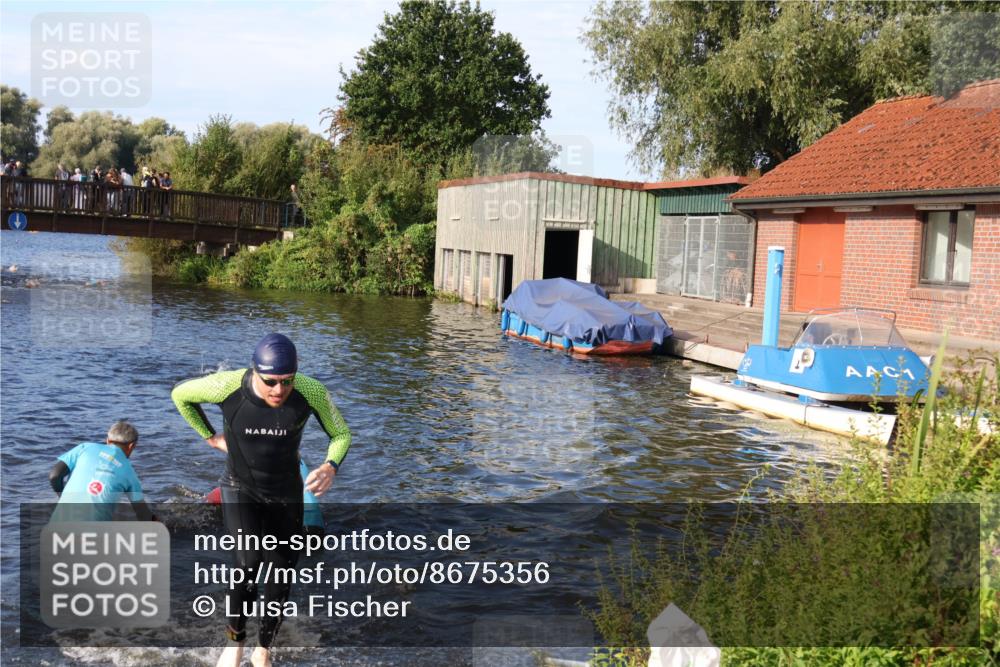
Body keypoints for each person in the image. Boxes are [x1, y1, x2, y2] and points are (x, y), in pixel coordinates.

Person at [171, 333, 351, 667]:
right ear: (255, 371)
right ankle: (234, 643)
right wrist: (210, 437)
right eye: (270, 381)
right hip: (241, 488)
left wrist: (331, 465)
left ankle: (263, 649)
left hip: (285, 492)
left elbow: (341, 434)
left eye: (287, 381)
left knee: (282, 573)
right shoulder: (226, 386)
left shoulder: (310, 391)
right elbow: (180, 395)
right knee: (248, 564)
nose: (279, 391)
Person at [48, 420, 154, 522]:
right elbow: (143, 514)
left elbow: (54, 476)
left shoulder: (84, 448)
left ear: (107, 440)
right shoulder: (129, 472)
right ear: (131, 446)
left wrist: (62, 496)